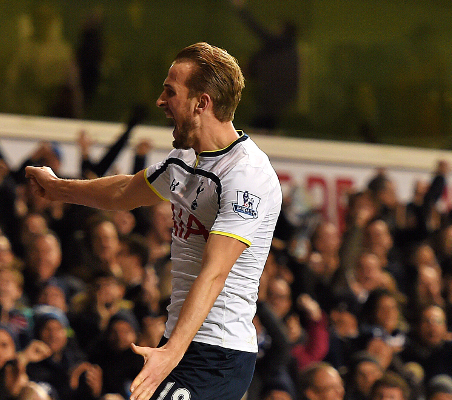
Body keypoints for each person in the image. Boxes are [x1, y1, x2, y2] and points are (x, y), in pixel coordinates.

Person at [25, 42, 283, 400]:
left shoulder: (246, 176)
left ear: (201, 103)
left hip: (217, 351)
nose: (160, 101)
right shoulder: (185, 160)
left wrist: (170, 353)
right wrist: (58, 188)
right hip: (181, 343)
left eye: (170, 91)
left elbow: (215, 272)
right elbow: (123, 192)